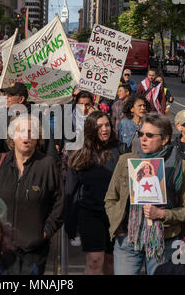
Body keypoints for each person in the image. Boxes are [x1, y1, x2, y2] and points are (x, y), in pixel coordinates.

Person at [105, 113, 185, 275]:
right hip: (128, 240)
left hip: (164, 243)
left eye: (149, 135)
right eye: (141, 134)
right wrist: (118, 226)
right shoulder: (126, 161)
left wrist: (163, 213)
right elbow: (111, 197)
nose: (143, 139)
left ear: (165, 139)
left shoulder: (180, 167)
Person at [0, 114, 65, 275]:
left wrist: (46, 231)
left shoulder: (46, 165)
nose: (27, 136)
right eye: (22, 131)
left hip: (33, 250)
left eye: (32, 132)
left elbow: (59, 202)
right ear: (12, 135)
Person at [65, 111, 120, 275]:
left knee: (111, 261)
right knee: (95, 260)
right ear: (90, 130)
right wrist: (70, 222)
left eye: (107, 125)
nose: (105, 129)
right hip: (90, 213)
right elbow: (71, 190)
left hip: (115, 215)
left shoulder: (120, 150)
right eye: (100, 126)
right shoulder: (80, 153)